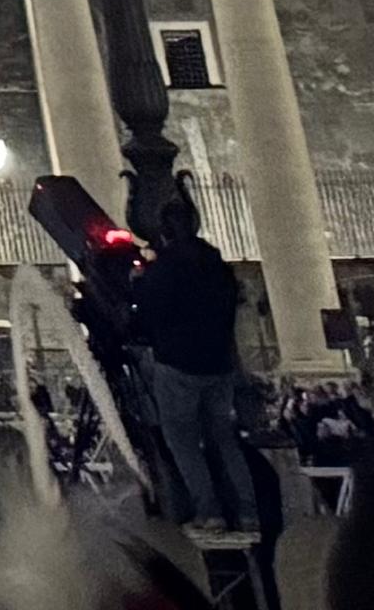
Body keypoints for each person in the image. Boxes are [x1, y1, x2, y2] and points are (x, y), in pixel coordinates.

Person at [126, 199, 259, 535]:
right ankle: (247, 512)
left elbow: (146, 317)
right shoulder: (217, 266)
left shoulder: (165, 269)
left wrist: (138, 283)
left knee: (182, 440)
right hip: (219, 363)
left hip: (178, 365)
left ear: (166, 231)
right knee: (223, 438)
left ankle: (208, 511)